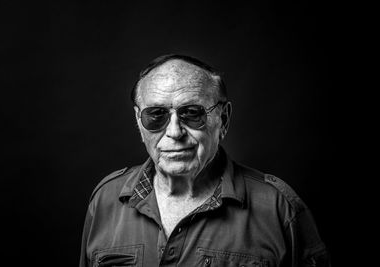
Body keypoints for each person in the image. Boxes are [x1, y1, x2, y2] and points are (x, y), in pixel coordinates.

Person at [79, 54, 330, 267]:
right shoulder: (105, 200)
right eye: (156, 115)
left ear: (223, 119)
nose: (174, 132)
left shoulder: (279, 210)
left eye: (191, 113)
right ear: (138, 121)